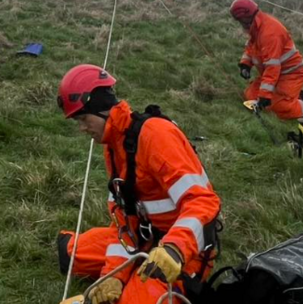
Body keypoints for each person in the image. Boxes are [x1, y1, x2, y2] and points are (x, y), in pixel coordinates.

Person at [56, 64, 222, 304]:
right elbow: (124, 221)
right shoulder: (114, 146)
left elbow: (204, 202)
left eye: (83, 118)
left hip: (184, 249)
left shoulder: (156, 135)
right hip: (147, 238)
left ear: (101, 108)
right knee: (71, 255)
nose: (82, 128)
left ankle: (147, 278)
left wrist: (174, 249)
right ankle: (130, 270)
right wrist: (113, 276)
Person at [229, 0, 303, 120]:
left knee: (278, 108)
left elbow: (272, 67)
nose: (240, 23)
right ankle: (293, 95)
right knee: (250, 96)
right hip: (274, 74)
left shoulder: (270, 33)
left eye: (241, 20)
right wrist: (245, 64)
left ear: (246, 17)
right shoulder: (256, 27)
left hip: (290, 74)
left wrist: (265, 95)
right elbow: (251, 47)